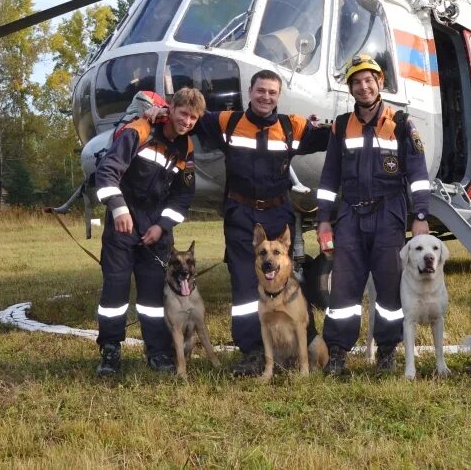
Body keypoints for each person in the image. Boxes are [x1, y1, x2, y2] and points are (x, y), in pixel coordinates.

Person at [146, 70, 330, 376]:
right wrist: (161, 112)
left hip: (277, 212)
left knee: (288, 277)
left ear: (278, 96)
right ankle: (252, 351)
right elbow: (189, 117)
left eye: (272, 92)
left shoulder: (291, 126)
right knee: (245, 283)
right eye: (260, 91)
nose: (265, 97)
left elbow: (332, 134)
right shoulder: (227, 122)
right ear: (250, 90)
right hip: (241, 215)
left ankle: (302, 342)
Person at [316, 54, 431, 376]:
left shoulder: (402, 123)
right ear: (350, 88)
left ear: (380, 82)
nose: (363, 86)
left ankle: (386, 350)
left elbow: (418, 175)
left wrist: (420, 215)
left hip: (389, 214)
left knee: (390, 286)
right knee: (343, 287)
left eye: (369, 80)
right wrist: (324, 218)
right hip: (350, 216)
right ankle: (337, 351)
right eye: (356, 81)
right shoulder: (341, 126)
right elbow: (329, 177)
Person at [93, 87, 206, 377]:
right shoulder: (139, 130)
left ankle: (157, 351)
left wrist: (162, 226)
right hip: (123, 226)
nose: (187, 122)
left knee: (154, 297)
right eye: (183, 114)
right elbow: (107, 172)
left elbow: (182, 196)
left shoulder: (185, 147)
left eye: (194, 118)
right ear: (171, 109)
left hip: (155, 233)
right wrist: (118, 208)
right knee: (115, 291)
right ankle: (110, 351)